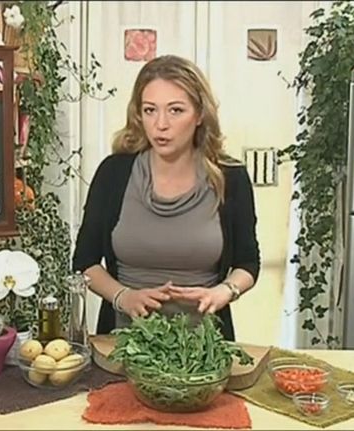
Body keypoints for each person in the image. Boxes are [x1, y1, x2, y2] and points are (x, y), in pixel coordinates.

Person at [71, 55, 260, 341]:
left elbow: (248, 263)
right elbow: (85, 261)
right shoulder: (114, 173)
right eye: (150, 110)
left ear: (199, 114)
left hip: (203, 346)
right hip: (124, 343)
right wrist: (123, 297)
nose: (161, 124)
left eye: (175, 110)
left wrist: (224, 292)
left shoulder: (230, 178)